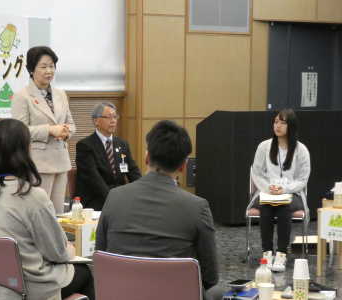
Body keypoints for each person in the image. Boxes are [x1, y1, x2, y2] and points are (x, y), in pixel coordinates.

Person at [0, 119, 94, 300]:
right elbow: (57, 253)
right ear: (25, 151)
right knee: (84, 272)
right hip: (25, 287)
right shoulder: (31, 196)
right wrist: (70, 249)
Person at [96, 120, 221, 300]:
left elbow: (102, 255)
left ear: (147, 158)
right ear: (183, 166)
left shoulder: (114, 197)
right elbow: (210, 277)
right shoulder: (197, 207)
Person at [11, 46, 75, 214]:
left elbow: (71, 124)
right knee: (39, 212)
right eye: (43, 66)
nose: (49, 71)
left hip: (61, 161)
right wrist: (50, 130)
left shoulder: (61, 94)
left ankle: (56, 241)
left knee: (58, 213)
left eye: (52, 66)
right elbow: (19, 131)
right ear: (31, 69)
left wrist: (66, 131)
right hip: (37, 164)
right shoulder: (22, 96)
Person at [251, 108, 310, 272]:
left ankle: (282, 253)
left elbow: (302, 179)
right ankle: (267, 252)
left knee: (284, 207)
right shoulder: (264, 146)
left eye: (283, 123)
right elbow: (256, 172)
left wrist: (285, 189)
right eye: (276, 122)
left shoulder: (301, 150)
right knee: (266, 206)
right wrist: (268, 188)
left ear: (291, 126)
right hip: (267, 192)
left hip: (293, 193)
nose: (278, 126)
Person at [75, 102, 141, 211]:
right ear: (96, 121)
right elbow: (94, 180)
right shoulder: (85, 146)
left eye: (115, 117)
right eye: (109, 117)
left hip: (119, 197)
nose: (113, 121)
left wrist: (143, 191)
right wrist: (116, 199)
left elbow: (133, 171)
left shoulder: (122, 144)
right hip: (96, 200)